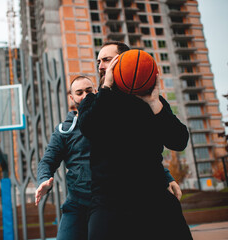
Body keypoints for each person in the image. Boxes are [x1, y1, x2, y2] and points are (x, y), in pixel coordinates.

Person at [35, 75, 183, 239]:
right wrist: (44, 180)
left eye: (88, 90)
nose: (84, 95)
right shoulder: (64, 130)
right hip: (77, 203)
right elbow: (48, 160)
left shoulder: (106, 121)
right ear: (72, 97)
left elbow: (136, 154)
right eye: (79, 92)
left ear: (96, 91)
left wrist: (166, 176)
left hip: (109, 200)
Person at [78, 41, 192, 239]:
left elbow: (179, 141)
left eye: (106, 60)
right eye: (99, 62)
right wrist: (106, 88)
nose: (101, 66)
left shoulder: (150, 100)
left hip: (153, 196)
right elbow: (89, 127)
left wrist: (155, 103)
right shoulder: (94, 100)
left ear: (125, 61)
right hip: (108, 201)